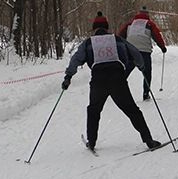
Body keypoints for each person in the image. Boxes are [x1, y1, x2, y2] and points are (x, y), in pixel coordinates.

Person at [61, 11, 161, 151]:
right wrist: (141, 66)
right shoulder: (117, 39)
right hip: (117, 79)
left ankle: (92, 142)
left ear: (94, 29)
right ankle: (149, 140)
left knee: (94, 110)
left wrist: (68, 77)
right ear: (107, 28)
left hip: (98, 81)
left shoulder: (88, 43)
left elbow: (76, 59)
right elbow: (135, 53)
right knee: (132, 110)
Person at [117, 6, 167, 101]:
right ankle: (146, 93)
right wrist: (162, 47)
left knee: (125, 72)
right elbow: (157, 36)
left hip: (130, 51)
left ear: (138, 14)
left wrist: (121, 47)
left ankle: (118, 90)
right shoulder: (149, 24)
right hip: (144, 51)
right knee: (147, 72)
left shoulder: (130, 23)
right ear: (147, 14)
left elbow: (120, 34)